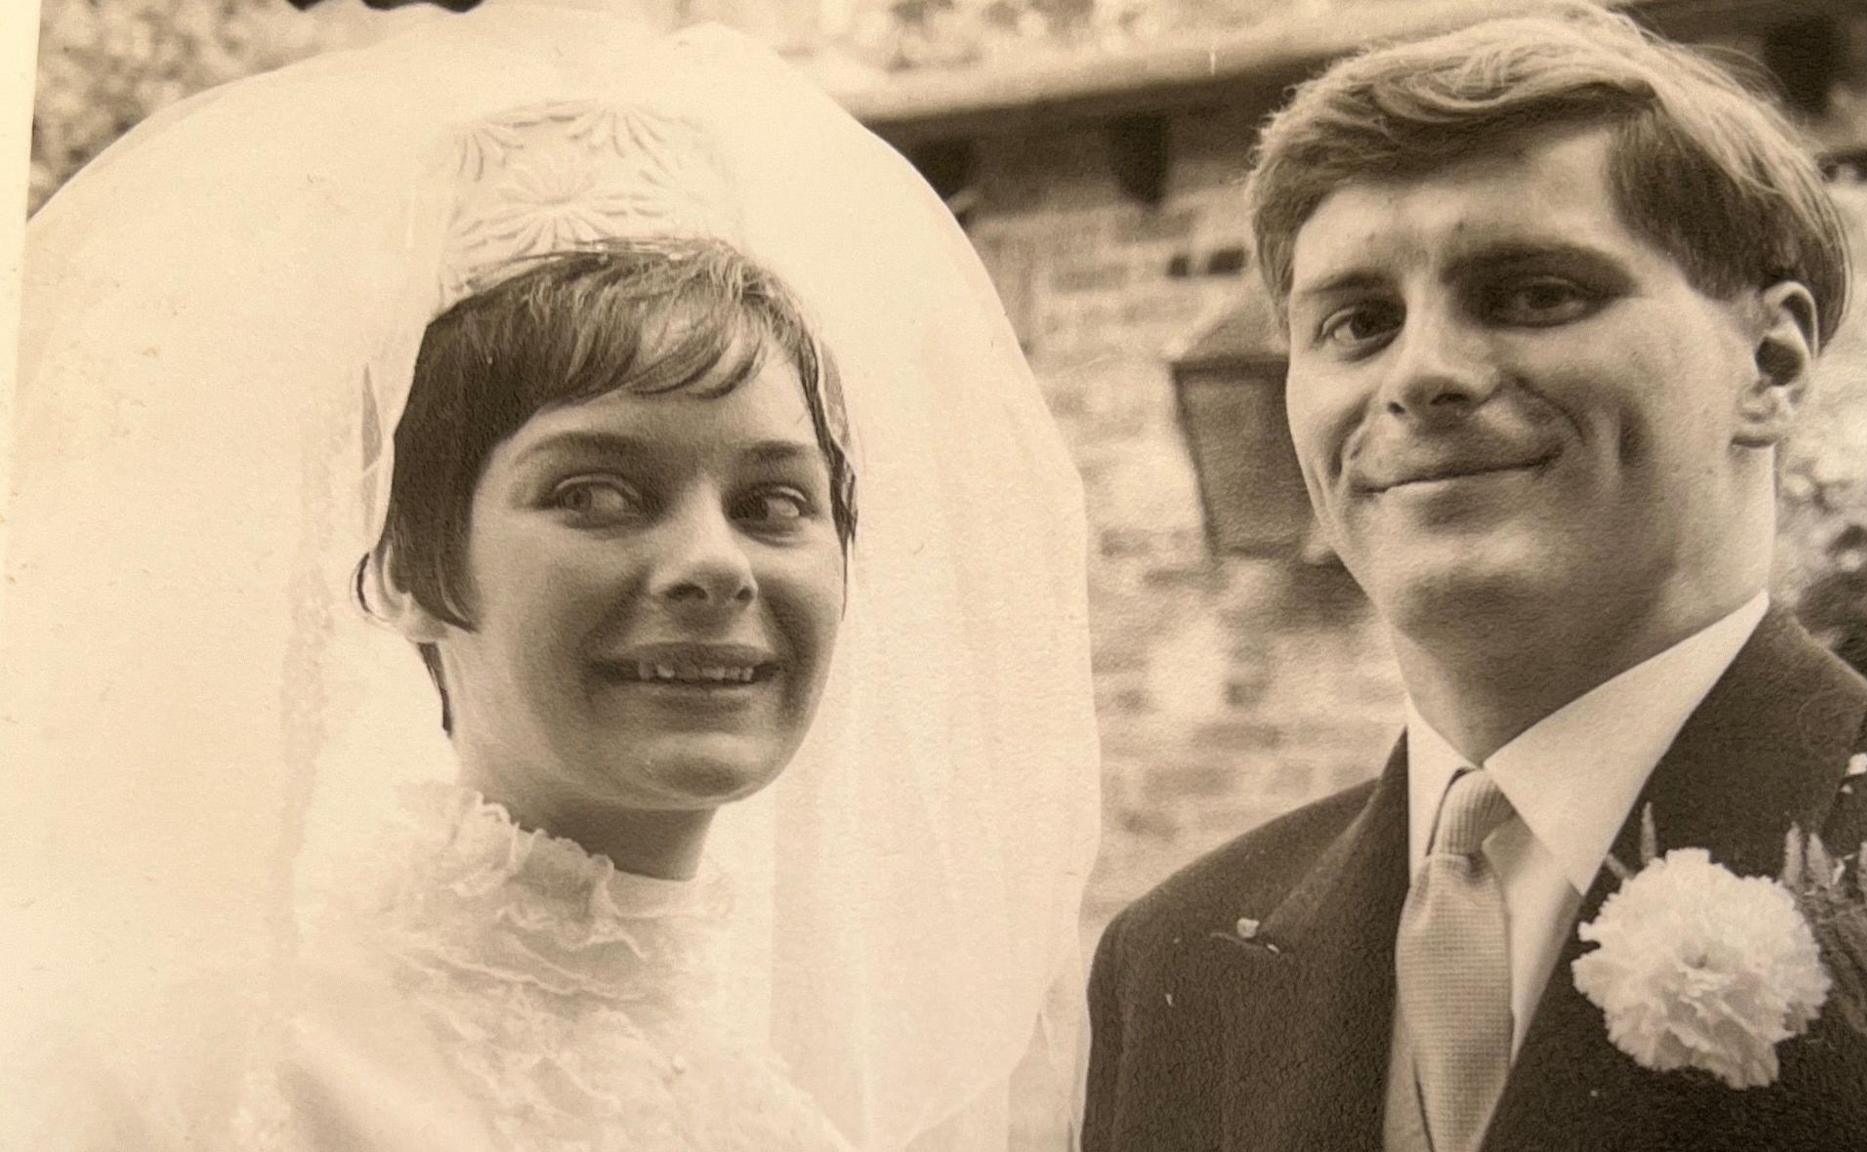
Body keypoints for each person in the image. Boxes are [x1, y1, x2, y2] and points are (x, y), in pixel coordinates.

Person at [0, 2, 1100, 1149]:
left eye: (774, 503)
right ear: (406, 566)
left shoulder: (778, 1126)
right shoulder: (203, 1077)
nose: (713, 564)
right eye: (595, 493)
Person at [1081, 5, 1867, 1151]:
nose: (1421, 373)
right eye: (1355, 321)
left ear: (1771, 362)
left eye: (1532, 293)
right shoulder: (1170, 962)